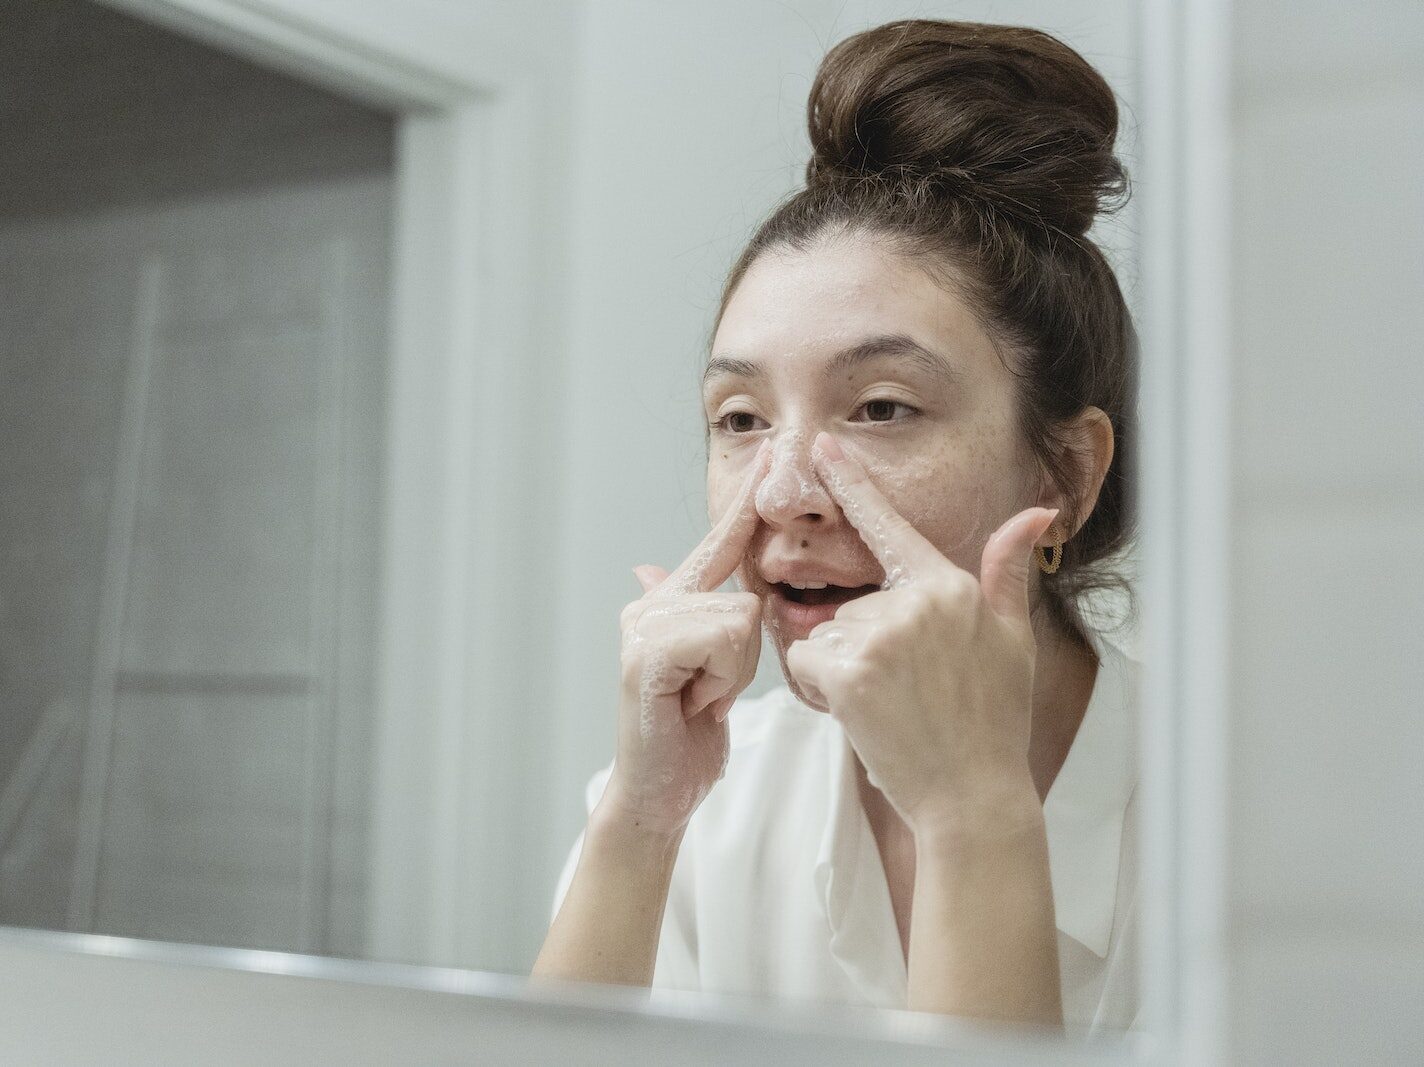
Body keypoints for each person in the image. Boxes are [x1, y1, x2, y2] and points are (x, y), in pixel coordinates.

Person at [533, 18, 1140, 1035]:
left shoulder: (1250, 840)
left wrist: (972, 816)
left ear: (1065, 475)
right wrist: (638, 821)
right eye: (740, 419)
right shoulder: (705, 807)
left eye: (879, 407)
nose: (783, 491)